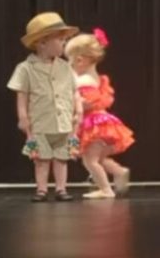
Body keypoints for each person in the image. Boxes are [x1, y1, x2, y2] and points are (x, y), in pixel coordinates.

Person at [7, 12, 82, 202]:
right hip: (40, 122)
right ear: (42, 43)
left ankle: (61, 188)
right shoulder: (26, 68)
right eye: (60, 39)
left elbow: (74, 90)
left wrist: (78, 109)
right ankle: (41, 189)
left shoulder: (65, 67)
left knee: (61, 158)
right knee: (41, 159)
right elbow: (22, 95)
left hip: (63, 121)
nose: (64, 43)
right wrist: (23, 116)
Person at [65, 28, 134, 199]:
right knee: (99, 158)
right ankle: (119, 171)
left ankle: (106, 189)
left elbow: (86, 103)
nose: (69, 67)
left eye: (70, 62)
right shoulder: (96, 78)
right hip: (102, 123)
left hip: (94, 125)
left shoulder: (83, 81)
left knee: (90, 160)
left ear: (80, 61)